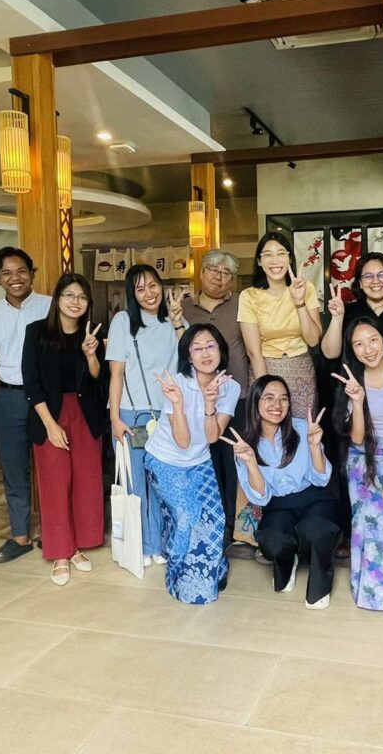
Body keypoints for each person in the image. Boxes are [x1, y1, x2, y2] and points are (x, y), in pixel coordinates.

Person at [222, 376, 340, 609]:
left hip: (314, 497)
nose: (277, 405)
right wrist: (251, 462)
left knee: (317, 530)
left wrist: (314, 446)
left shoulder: (303, 428)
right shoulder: (245, 444)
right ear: (255, 401)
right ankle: (287, 561)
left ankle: (319, 587)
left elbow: (321, 478)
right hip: (278, 505)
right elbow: (260, 497)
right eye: (269, 398)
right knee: (271, 540)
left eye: (283, 399)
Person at [143, 324, 241, 604]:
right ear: (188, 356)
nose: (205, 353)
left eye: (210, 346)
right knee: (186, 517)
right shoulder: (178, 383)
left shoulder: (231, 387)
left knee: (214, 518)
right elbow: (183, 441)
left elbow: (211, 437)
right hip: (165, 459)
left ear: (221, 350)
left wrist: (210, 404)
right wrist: (177, 403)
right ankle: (180, 576)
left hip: (199, 461)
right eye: (197, 348)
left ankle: (213, 565)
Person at [22, 273, 109, 586]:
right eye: (70, 295)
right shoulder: (36, 332)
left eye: (82, 297)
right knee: (55, 484)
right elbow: (31, 383)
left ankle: (78, 546)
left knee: (86, 482)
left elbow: (99, 379)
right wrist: (50, 425)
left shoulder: (92, 333)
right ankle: (60, 552)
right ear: (57, 299)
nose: (76, 302)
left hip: (86, 415)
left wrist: (90, 354)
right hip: (49, 415)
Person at [332, 315, 383, 611]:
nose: (367, 349)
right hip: (361, 461)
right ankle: (370, 589)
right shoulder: (353, 378)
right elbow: (356, 438)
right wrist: (357, 401)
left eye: (372, 340)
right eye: (358, 344)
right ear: (352, 350)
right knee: (363, 525)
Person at [0, 247, 52, 563]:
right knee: (14, 469)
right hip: (9, 398)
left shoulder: (52, 307)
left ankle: (56, 531)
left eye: (21, 271)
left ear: (32, 273)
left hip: (47, 397)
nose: (14, 278)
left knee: (53, 466)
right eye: (6, 273)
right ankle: (20, 536)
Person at [108, 264, 185, 566]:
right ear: (132, 294)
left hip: (167, 414)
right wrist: (115, 418)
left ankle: (161, 544)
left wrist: (178, 322)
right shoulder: (123, 321)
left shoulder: (175, 322)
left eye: (153, 285)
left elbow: (188, 361)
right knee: (136, 484)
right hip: (132, 414)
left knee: (163, 483)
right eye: (140, 289)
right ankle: (142, 545)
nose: (149, 293)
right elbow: (116, 373)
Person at [182, 250, 250, 550]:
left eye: (226, 273)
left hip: (238, 397)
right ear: (201, 272)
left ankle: (237, 528)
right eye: (213, 270)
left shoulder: (242, 304)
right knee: (205, 463)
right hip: (197, 401)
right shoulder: (184, 307)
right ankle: (212, 523)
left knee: (234, 463)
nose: (219, 277)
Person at [238, 232, 322, 418]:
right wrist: (266, 389)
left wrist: (299, 302)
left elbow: (313, 340)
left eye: (281, 253)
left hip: (300, 368)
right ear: (259, 261)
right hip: (265, 367)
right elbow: (253, 351)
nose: (275, 260)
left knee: (303, 426)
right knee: (269, 424)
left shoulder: (305, 288)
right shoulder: (249, 296)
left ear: (290, 258)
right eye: (267, 255)